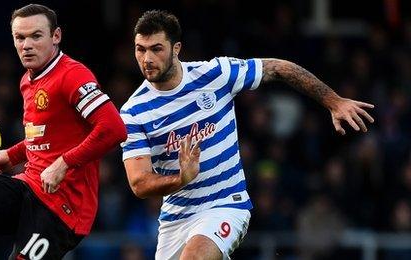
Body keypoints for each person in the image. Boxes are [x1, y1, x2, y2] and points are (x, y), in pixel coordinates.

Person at [120, 10, 375, 260]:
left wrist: (334, 102)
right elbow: (139, 183)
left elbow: (278, 68)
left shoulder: (215, 74)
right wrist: (180, 179)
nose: (147, 58)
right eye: (140, 49)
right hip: (176, 217)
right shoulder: (134, 112)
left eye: (156, 48)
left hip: (226, 205)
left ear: (176, 49)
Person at [0, 4, 127, 259]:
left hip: (63, 208)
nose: (27, 45)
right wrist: (11, 156)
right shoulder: (28, 79)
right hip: (29, 187)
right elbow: (45, 136)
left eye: (36, 36)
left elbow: (114, 128)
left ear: (56, 36)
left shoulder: (72, 75)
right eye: (20, 38)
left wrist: (63, 163)